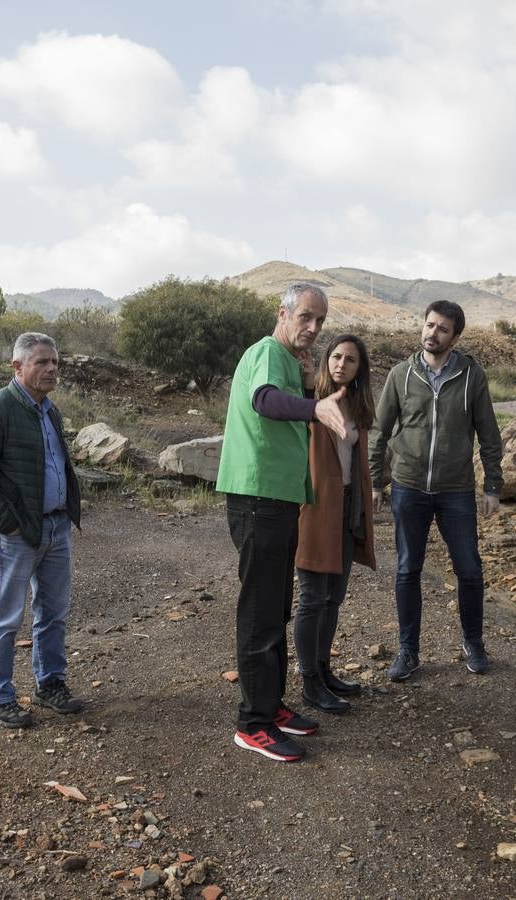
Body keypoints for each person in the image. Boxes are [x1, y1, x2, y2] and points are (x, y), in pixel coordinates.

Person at [215, 283, 348, 763]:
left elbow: (283, 409)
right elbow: (265, 400)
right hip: (258, 497)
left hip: (277, 498)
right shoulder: (269, 352)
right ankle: (253, 724)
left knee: (276, 608)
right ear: (283, 313)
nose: (313, 327)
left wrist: (309, 386)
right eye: (305, 317)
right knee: (260, 611)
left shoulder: (289, 360)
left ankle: (270, 706)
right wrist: (315, 406)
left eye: (320, 320)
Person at [368, 300, 504, 682]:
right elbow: (379, 432)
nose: (433, 333)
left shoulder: (472, 376)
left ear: (455, 337)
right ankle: (408, 651)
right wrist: (375, 481)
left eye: (443, 329)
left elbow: (489, 434)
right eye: (430, 325)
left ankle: (473, 643)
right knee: (407, 568)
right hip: (408, 487)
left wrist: (492, 485)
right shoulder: (401, 374)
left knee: (469, 569)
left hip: (455, 490)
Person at [0, 332, 84, 729]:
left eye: (55, 362)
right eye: (42, 362)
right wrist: (6, 522)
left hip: (56, 528)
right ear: (17, 367)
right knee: (7, 618)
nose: (51, 369)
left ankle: (51, 684)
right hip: (15, 535)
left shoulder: (50, 410)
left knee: (53, 614)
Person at [294, 334, 377, 714]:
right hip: (314, 507)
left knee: (334, 597)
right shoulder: (311, 400)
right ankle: (309, 681)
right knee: (312, 597)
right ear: (327, 360)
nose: (342, 364)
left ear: (360, 369)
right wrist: (307, 384)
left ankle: (324, 670)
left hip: (347, 507)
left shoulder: (357, 406)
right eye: (337, 357)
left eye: (351, 360)